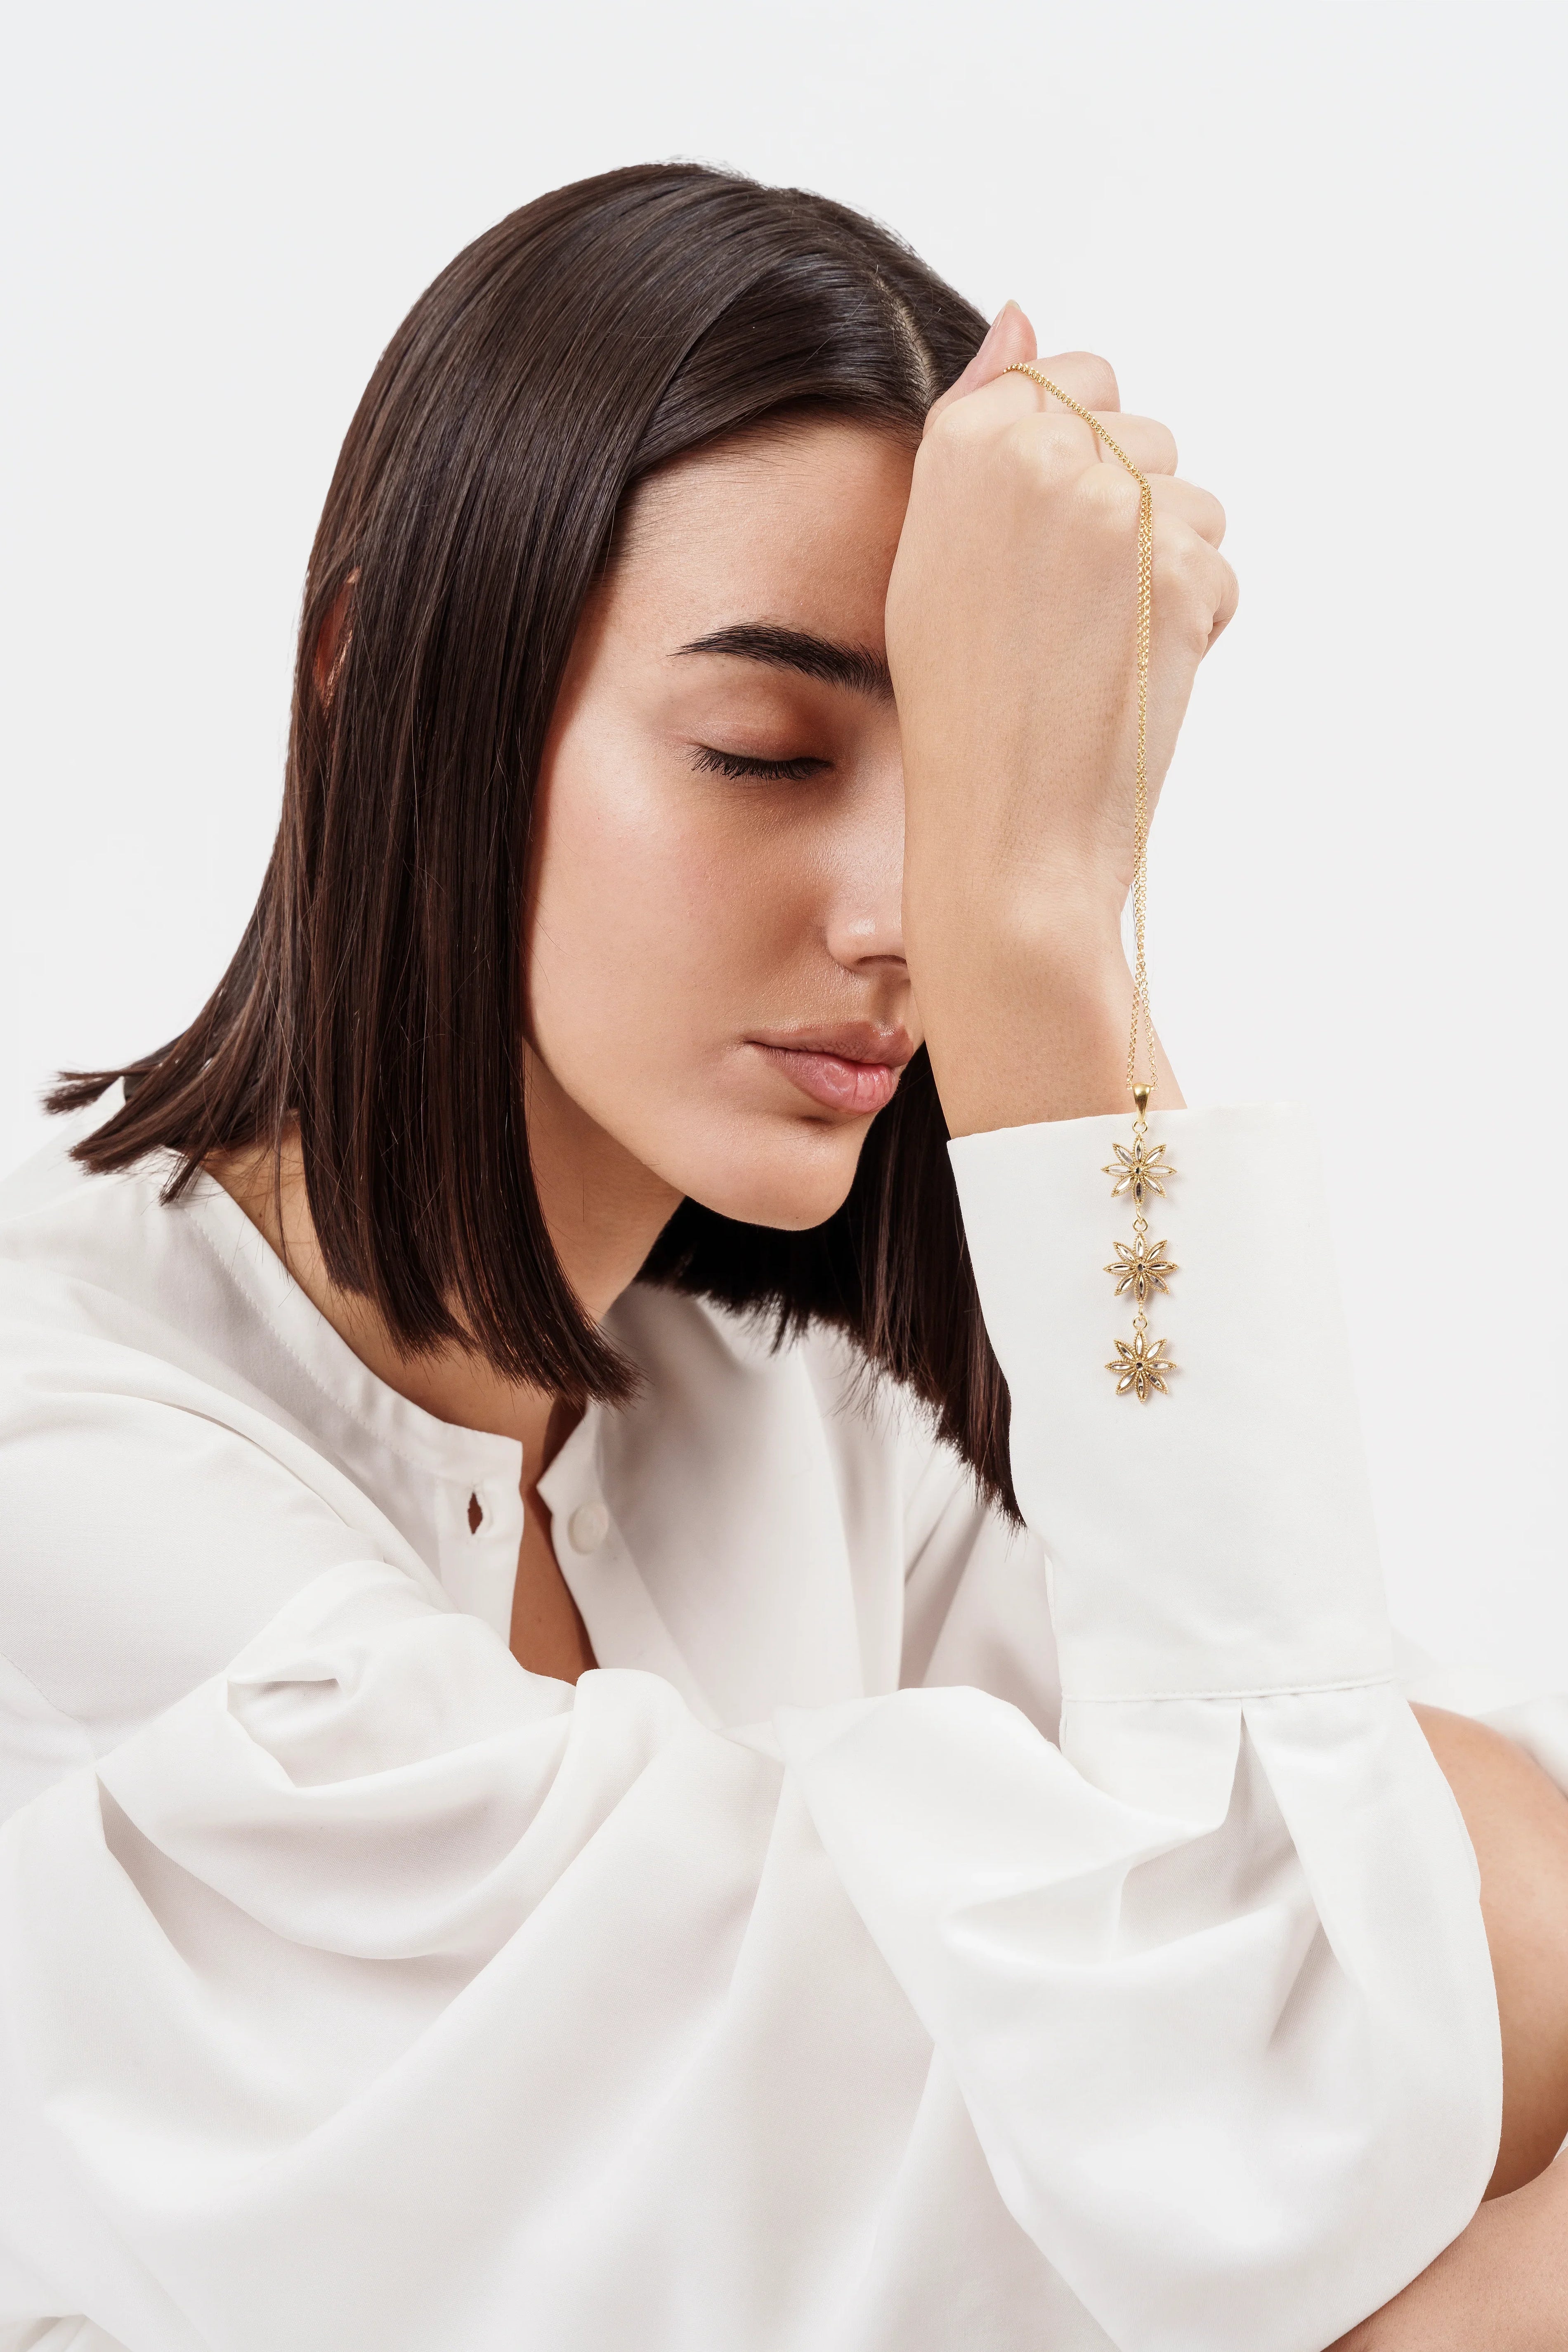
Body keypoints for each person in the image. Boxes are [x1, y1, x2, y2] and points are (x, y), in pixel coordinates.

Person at [0, 161, 1564, 2352]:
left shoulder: (801, 1450)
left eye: (957, 785)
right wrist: (1037, 927)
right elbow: (1323, 1978)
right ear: (375, 666)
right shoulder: (64, 1499)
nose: (893, 909)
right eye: (765, 746)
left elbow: (1413, 1900)